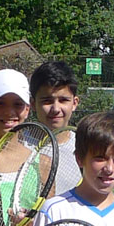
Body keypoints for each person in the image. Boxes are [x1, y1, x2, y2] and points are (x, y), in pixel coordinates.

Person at [30, 61, 82, 193]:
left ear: (74, 103)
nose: (55, 109)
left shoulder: (86, 147)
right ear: (33, 104)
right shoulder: (17, 146)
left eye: (63, 100)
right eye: (47, 101)